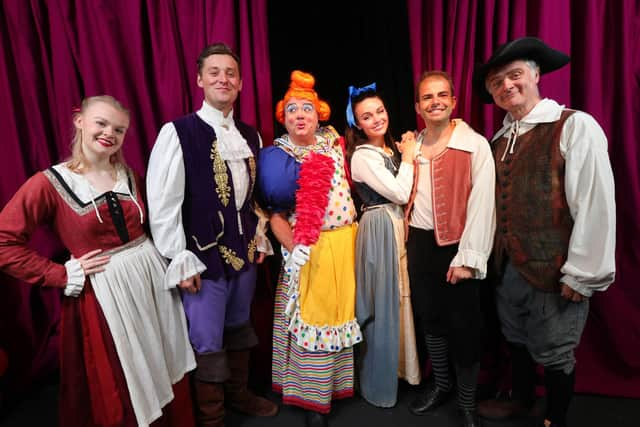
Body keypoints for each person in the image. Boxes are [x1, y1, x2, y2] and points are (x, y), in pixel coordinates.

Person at [0, 95, 196, 426]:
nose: (109, 133)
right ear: (79, 121)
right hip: (104, 295)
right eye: (101, 123)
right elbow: (4, 241)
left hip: (150, 282)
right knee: (123, 379)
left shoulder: (128, 174)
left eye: (119, 129)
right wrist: (59, 273)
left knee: (160, 362)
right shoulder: (50, 183)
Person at [472, 37, 616, 427]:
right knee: (515, 337)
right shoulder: (497, 141)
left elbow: (594, 201)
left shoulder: (574, 125)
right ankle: (522, 402)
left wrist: (583, 273)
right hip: (509, 269)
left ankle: (555, 418)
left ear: (536, 75)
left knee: (556, 350)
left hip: (556, 269)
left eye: (515, 75)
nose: (507, 86)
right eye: (497, 82)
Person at [146, 43, 277, 427]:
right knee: (207, 339)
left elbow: (251, 199)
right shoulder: (178, 132)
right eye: (215, 72)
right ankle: (212, 416)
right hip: (201, 257)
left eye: (231, 73)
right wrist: (177, 257)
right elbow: (163, 203)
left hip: (245, 253)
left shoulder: (251, 136)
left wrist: (259, 237)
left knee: (239, 327)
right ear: (200, 79)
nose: (224, 78)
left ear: (240, 83)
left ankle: (238, 396)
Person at [257, 70, 362, 427]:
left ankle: (334, 389)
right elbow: (275, 215)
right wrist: (292, 248)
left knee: (339, 317)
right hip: (308, 251)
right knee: (312, 322)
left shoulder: (334, 143)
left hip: (344, 246)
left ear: (320, 114)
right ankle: (312, 401)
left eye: (307, 108)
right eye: (292, 110)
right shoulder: (278, 157)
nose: (300, 115)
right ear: (283, 118)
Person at [403, 71, 496, 427]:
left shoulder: (474, 144)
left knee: (465, 327)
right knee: (431, 320)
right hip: (420, 244)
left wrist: (469, 259)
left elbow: (483, 205)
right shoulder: (412, 144)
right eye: (427, 97)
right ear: (418, 106)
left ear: (454, 101)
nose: (435, 101)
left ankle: (467, 402)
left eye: (442, 95)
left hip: (458, 246)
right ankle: (442, 386)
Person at [345, 83, 421, 408]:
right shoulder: (363, 156)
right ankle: (378, 383)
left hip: (394, 224)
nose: (376, 119)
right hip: (378, 227)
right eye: (366, 116)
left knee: (400, 298)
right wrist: (408, 157)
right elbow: (400, 193)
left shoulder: (388, 149)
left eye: (379, 111)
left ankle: (403, 371)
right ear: (357, 124)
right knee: (382, 303)